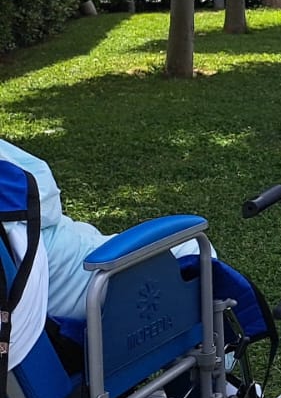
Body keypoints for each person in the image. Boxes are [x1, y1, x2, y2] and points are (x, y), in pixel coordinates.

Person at [0, 138, 206, 324]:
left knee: (86, 230)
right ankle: (212, 341)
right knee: (190, 246)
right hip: (59, 281)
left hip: (43, 265)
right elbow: (44, 199)